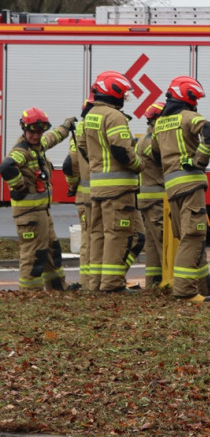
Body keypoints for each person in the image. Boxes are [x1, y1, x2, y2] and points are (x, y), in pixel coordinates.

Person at [151, 76, 210, 304]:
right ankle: (185, 291)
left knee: (191, 237)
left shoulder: (160, 123)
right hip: (190, 184)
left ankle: (204, 285)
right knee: (194, 236)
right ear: (187, 98)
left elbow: (155, 153)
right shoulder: (189, 117)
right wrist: (199, 161)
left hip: (172, 188)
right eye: (195, 99)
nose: (196, 104)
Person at [1, 108, 78, 291]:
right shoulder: (22, 151)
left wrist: (66, 127)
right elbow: (6, 167)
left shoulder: (38, 145)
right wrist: (19, 185)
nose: (36, 136)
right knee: (34, 255)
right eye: (32, 132)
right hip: (29, 215)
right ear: (24, 129)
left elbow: (53, 137)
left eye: (39, 132)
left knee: (52, 251)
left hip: (41, 212)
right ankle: (29, 295)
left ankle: (57, 288)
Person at [81, 71, 145, 293]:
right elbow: (121, 150)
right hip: (118, 189)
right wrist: (139, 165)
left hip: (97, 188)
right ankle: (111, 284)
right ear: (114, 93)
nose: (124, 99)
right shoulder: (114, 116)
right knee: (117, 235)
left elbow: (83, 148)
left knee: (98, 235)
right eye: (124, 94)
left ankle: (95, 284)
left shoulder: (91, 115)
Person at [63, 97, 97, 290]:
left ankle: (88, 282)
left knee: (88, 237)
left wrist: (71, 187)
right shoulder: (98, 128)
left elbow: (71, 166)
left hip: (83, 196)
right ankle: (89, 282)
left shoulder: (79, 132)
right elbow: (71, 164)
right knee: (94, 238)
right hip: (97, 195)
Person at [136, 102, 166, 289]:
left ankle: (154, 284)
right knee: (165, 243)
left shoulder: (148, 138)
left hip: (151, 200)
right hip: (155, 201)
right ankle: (170, 282)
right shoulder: (149, 142)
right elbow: (165, 159)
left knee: (154, 247)